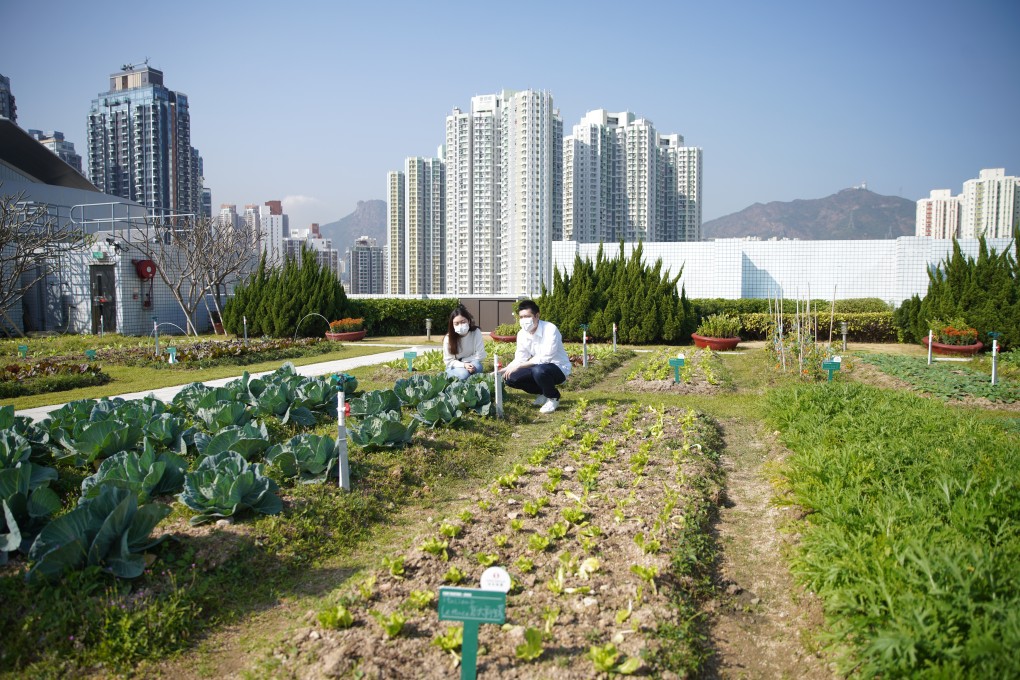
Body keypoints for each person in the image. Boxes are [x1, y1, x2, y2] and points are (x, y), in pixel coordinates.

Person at [500, 300, 571, 413]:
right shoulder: (522, 334)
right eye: (521, 317)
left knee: (539, 370)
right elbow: (520, 358)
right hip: (537, 368)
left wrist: (520, 366)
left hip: (558, 368)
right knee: (510, 378)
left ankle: (553, 397)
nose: (524, 320)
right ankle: (542, 392)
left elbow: (546, 357)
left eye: (527, 316)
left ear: (537, 315)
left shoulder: (550, 329)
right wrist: (501, 371)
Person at [443, 305, 486, 380]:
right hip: (455, 366)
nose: (460, 326)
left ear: (468, 321)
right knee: (464, 374)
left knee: (478, 367)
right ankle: (463, 378)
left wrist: (466, 362)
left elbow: (481, 354)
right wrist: (464, 365)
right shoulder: (448, 338)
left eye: (463, 322)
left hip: (472, 362)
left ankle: (467, 379)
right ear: (452, 325)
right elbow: (448, 361)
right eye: (456, 323)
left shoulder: (476, 332)